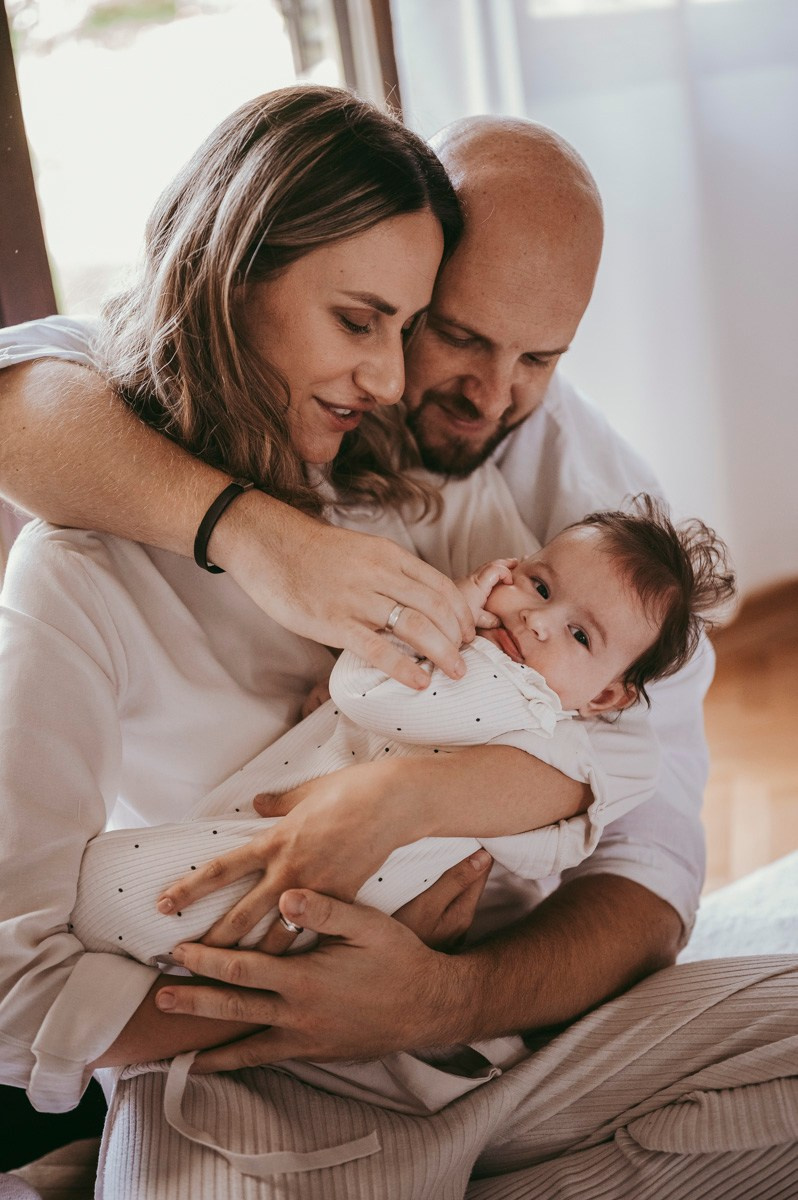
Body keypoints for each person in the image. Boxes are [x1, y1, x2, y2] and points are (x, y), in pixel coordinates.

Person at [1, 110, 795, 1197]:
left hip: (495, 1053)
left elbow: (638, 787)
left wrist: (426, 928)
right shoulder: (89, 555)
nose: (415, 383)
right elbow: (22, 382)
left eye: (539, 358)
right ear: (236, 283)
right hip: (253, 1086)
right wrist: (290, 1013)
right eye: (418, 329)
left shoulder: (462, 481)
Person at [65, 498, 733, 1143]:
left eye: (580, 635)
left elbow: (365, 689)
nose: (537, 621)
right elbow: (540, 850)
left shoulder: (511, 694)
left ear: (607, 695)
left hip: (328, 883)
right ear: (512, 565)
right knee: (184, 940)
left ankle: (80, 1008)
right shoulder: (551, 744)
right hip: (329, 883)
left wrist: (442, 626)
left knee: (112, 891)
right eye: (538, 585)